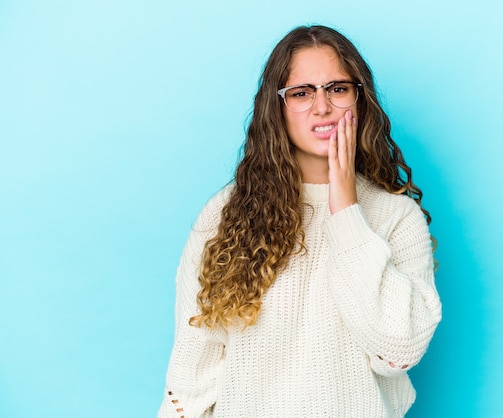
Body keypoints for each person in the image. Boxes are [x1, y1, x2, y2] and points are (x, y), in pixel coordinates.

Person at [158, 25, 442, 418]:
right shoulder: (226, 215)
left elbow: (398, 351)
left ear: (360, 100)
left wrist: (345, 210)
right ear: (277, 107)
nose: (322, 107)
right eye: (301, 93)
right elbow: (192, 373)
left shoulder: (397, 218)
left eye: (337, 89)